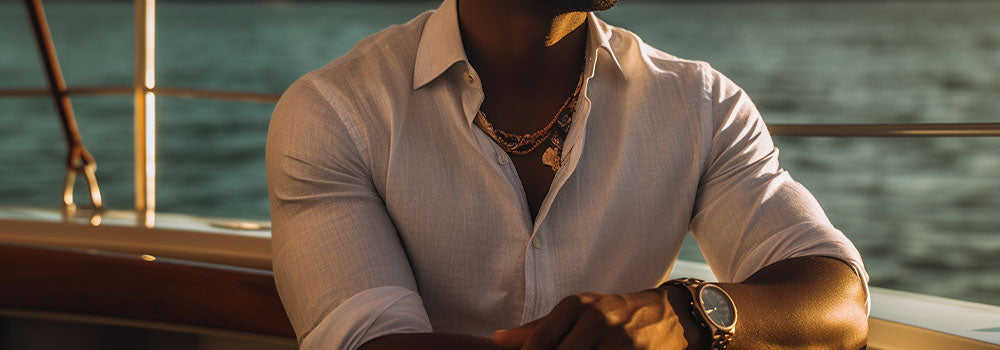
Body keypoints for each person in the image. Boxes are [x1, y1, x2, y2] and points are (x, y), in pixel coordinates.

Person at [265, 0, 870, 348]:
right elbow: (370, 342)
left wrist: (683, 317)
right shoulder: (336, 112)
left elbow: (839, 304)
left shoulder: (701, 105)